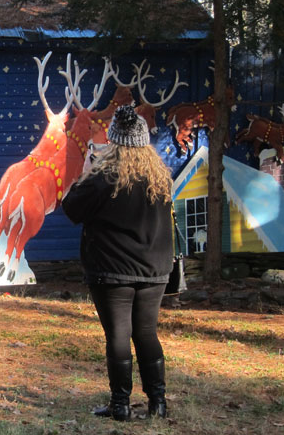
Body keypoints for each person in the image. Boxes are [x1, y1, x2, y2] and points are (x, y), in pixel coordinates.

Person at [61, 105, 173, 421]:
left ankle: (120, 404)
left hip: (111, 270)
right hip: (153, 269)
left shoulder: (103, 177)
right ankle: (158, 403)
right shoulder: (159, 177)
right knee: (147, 333)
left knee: (119, 335)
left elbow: (71, 208)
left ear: (114, 141)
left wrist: (85, 170)